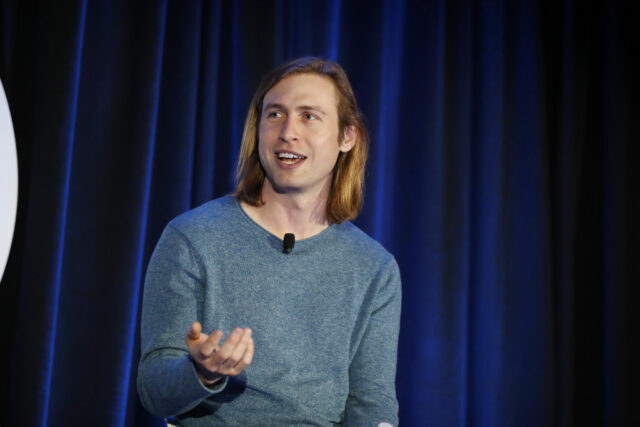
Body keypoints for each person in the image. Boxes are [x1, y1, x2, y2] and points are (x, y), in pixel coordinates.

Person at [137, 57, 401, 426]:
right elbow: (153, 390)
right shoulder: (192, 237)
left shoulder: (374, 267)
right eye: (275, 114)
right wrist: (202, 372)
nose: (288, 131)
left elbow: (371, 403)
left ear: (347, 137)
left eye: (309, 116)